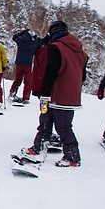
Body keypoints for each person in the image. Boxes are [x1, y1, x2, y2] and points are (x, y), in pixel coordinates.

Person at [37, 21, 88, 167]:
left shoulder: (56, 47)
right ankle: (38, 147)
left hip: (56, 93)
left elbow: (50, 72)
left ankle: (72, 156)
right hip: (70, 95)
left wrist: (44, 93)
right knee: (47, 121)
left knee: (61, 127)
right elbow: (83, 76)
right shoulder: (80, 52)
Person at [9, 29, 38, 104]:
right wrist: (35, 36)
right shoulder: (33, 43)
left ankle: (12, 92)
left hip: (19, 62)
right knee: (27, 82)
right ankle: (26, 97)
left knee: (18, 79)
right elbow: (40, 41)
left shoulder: (20, 41)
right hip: (28, 64)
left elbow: (14, 37)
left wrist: (20, 34)